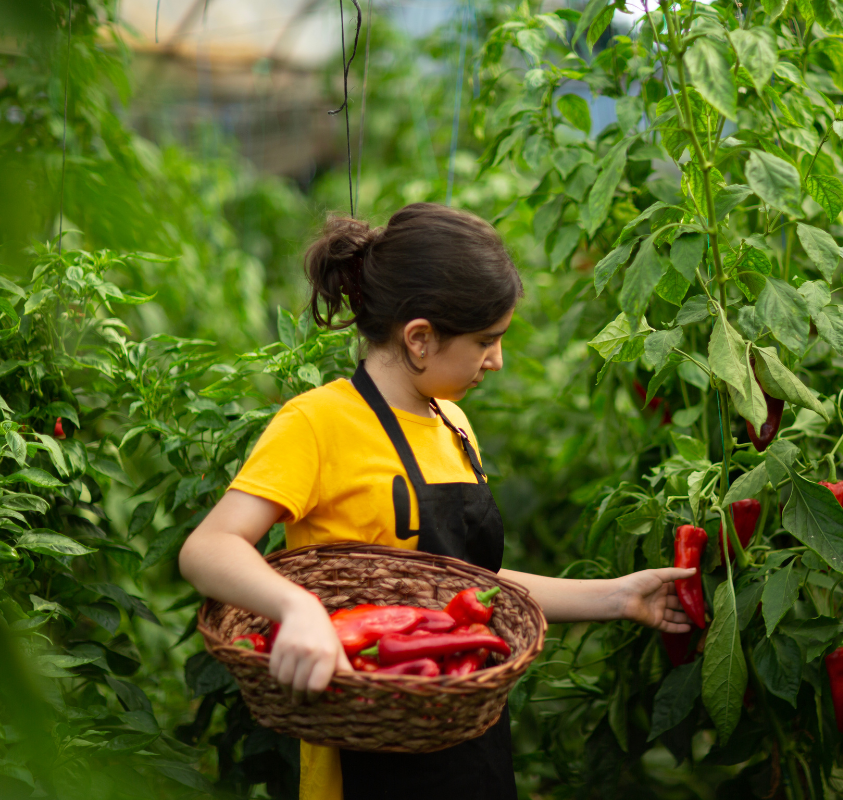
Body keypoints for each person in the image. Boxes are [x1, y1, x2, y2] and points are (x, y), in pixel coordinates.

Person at [178, 203, 695, 800]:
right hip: (363, 754)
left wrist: (619, 596)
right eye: (486, 341)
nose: (496, 360)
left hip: (468, 743)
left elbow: (470, 587)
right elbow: (208, 548)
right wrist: (299, 611)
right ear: (420, 339)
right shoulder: (318, 423)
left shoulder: (453, 423)